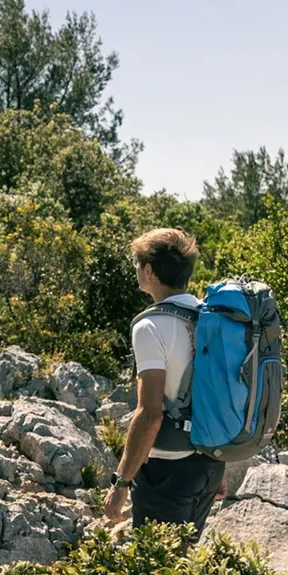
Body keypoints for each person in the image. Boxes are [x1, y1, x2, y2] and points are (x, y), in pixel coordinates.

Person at [101, 228, 226, 536]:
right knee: (183, 566)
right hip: (210, 462)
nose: (136, 271)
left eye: (137, 264)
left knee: (156, 572)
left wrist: (121, 483)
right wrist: (221, 465)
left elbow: (150, 413)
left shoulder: (150, 326)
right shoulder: (210, 318)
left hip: (167, 470)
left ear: (149, 271)